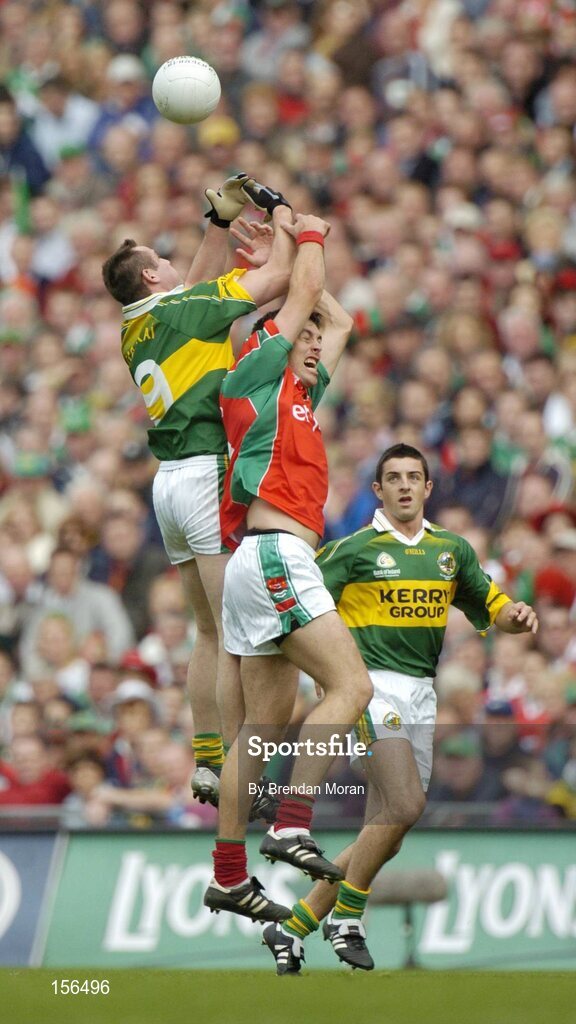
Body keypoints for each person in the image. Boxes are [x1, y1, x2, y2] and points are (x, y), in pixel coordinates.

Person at [262, 443, 538, 972]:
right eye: (394, 477)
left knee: (384, 834)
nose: (405, 485)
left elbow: (493, 605)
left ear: (428, 488)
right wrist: (323, 671)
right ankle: (348, 915)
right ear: (378, 489)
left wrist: (517, 616)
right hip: (371, 688)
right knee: (406, 804)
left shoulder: (451, 550)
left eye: (414, 477)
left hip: (421, 696)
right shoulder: (353, 550)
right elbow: (302, 606)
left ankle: (293, 924)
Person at [101, 175, 295, 808]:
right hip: (207, 469)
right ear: (150, 277)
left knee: (207, 633)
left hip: (168, 487)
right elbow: (274, 279)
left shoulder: (138, 325)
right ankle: (239, 766)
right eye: (160, 259)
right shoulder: (185, 308)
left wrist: (216, 223)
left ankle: (209, 759)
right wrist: (282, 215)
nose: (170, 262)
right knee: (235, 632)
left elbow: (188, 286)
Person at [203, 211, 373, 924]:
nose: (313, 344)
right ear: (269, 340)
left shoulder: (296, 396)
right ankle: (294, 822)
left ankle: (228, 876)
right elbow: (302, 297)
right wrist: (301, 234)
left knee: (261, 733)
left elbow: (340, 321)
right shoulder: (254, 376)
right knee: (352, 687)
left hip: (259, 561)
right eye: (300, 337)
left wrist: (283, 252)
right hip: (275, 553)